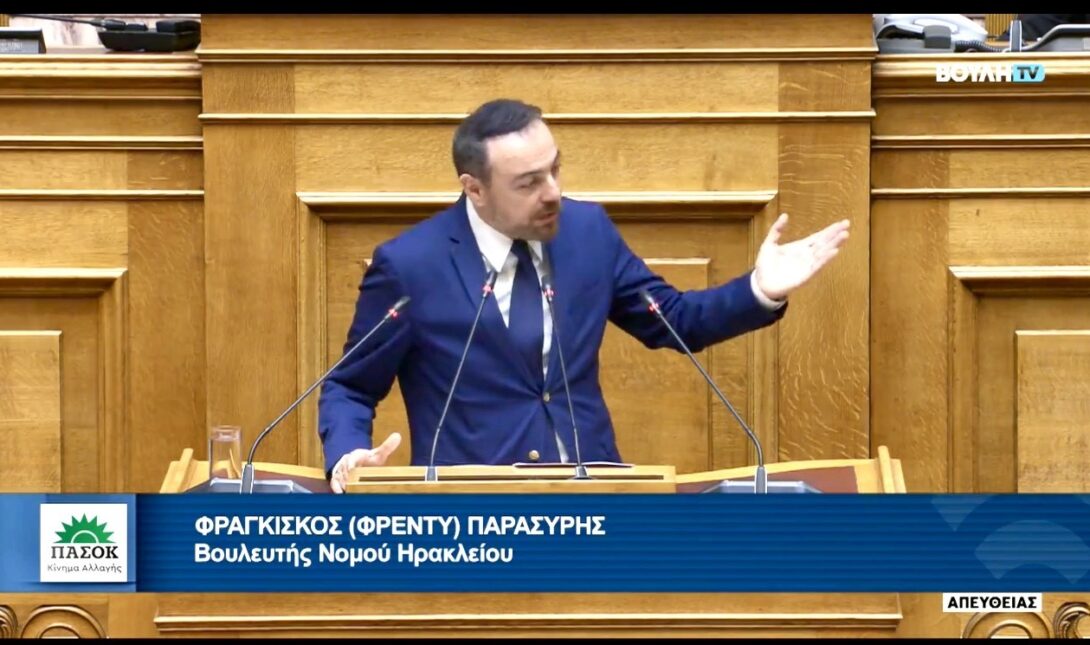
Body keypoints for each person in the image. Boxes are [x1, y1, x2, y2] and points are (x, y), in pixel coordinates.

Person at [318, 98, 850, 493]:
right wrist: (347, 456)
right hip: (475, 515)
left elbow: (675, 320)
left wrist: (759, 290)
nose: (552, 192)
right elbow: (350, 385)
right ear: (474, 188)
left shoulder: (587, 232)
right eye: (528, 183)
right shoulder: (411, 266)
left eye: (555, 169)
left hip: (599, 500)